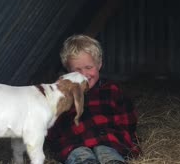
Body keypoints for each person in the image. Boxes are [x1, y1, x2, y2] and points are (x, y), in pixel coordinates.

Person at [46, 34, 141, 164]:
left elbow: (129, 119)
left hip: (108, 141)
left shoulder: (112, 90)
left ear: (99, 64)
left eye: (89, 68)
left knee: (109, 155)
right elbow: (52, 127)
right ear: (68, 71)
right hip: (76, 144)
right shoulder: (61, 94)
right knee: (81, 158)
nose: (84, 75)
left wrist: (124, 138)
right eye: (77, 70)